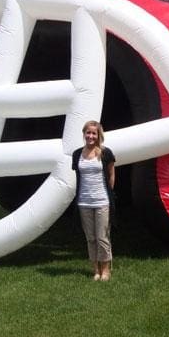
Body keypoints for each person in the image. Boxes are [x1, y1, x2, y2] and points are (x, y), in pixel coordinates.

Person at [71, 120, 116, 281]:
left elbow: (111, 175)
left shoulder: (105, 153)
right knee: (90, 237)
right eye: (88, 133)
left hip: (102, 201)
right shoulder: (77, 154)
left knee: (102, 236)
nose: (90, 136)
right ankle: (95, 270)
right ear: (84, 134)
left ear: (98, 136)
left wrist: (109, 194)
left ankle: (106, 270)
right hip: (84, 202)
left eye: (93, 133)